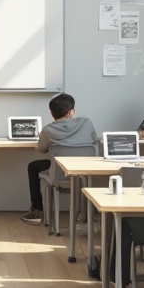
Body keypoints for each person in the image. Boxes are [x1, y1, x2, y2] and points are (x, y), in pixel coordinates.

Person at [21, 93, 98, 225]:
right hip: (86, 173)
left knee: (33, 166)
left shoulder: (48, 130)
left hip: (60, 174)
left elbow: (42, 149)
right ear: (70, 112)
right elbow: (93, 139)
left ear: (52, 113)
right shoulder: (86, 123)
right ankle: (84, 215)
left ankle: (37, 211)